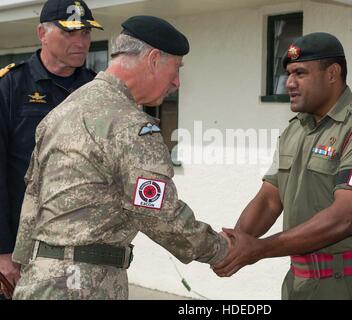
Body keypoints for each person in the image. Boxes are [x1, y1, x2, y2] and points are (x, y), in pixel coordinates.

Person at [11, 15, 229, 300]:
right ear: (153, 59)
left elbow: (33, 197)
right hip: (85, 286)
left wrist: (22, 263)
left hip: (38, 281)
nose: (176, 82)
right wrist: (221, 250)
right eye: (176, 69)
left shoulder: (61, 112)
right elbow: (157, 210)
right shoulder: (130, 125)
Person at [213, 32, 352, 300]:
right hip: (300, 285)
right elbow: (269, 200)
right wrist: (232, 245)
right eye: (288, 74)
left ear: (332, 73)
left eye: (300, 73)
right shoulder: (295, 131)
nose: (289, 83)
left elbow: (345, 217)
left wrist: (260, 248)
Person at [0, 0, 103, 299]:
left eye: (85, 33)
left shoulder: (96, 90)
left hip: (84, 245)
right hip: (24, 246)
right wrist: (3, 250)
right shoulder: (11, 86)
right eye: (70, 33)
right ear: (42, 33)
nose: (81, 41)